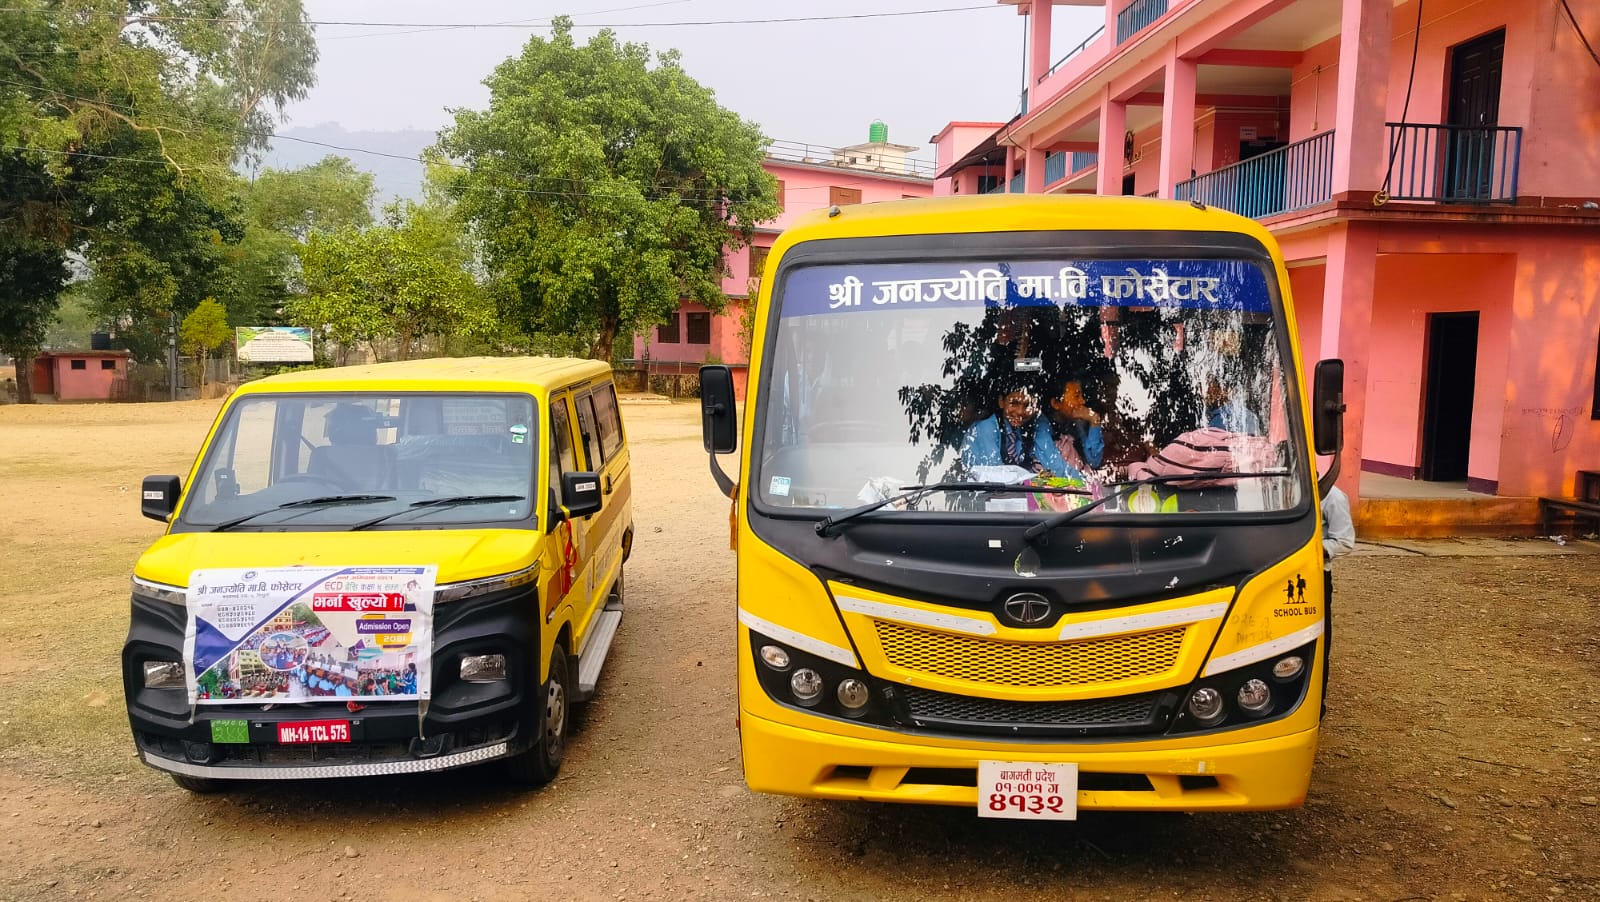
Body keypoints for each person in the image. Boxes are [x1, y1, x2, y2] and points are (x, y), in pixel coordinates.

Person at [959, 385, 1079, 479]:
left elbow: (1055, 466)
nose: (1020, 411)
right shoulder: (984, 429)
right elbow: (996, 477)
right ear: (1001, 402)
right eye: (1014, 403)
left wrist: (1081, 483)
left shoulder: (1027, 427)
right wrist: (1035, 478)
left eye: (1027, 405)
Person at [1320, 483, 1355, 717]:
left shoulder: (1332, 496)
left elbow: (1344, 541)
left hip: (1315, 574)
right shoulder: (1274, 489)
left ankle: (1315, 704)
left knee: (1318, 640)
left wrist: (1309, 548)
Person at [1045, 379, 1104, 473]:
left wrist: (1094, 420)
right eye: (1076, 396)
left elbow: (1094, 461)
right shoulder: (1043, 429)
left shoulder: (1076, 422)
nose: (1082, 401)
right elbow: (1055, 469)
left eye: (1081, 396)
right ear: (1055, 403)